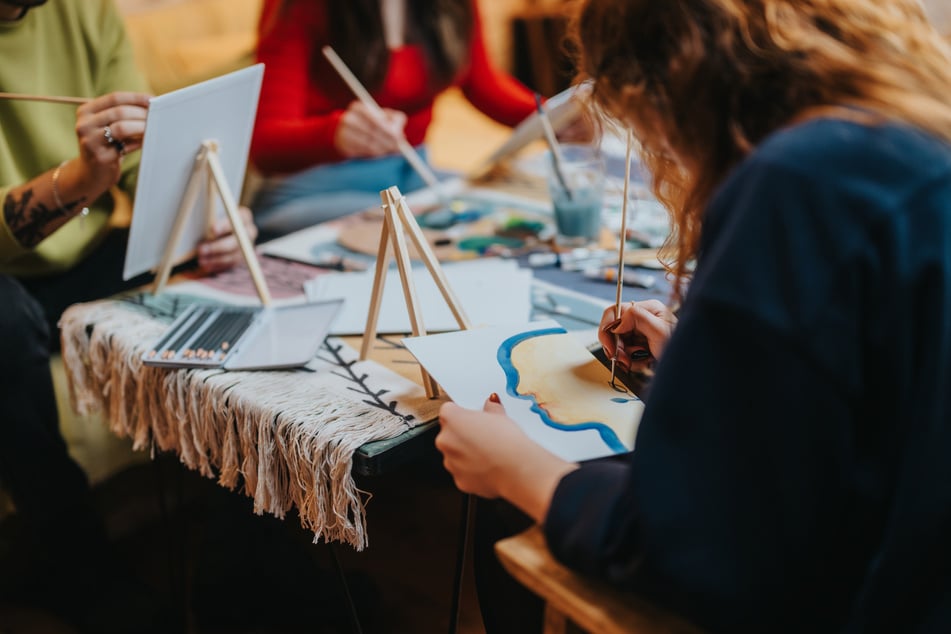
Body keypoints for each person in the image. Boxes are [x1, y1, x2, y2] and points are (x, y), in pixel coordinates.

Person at [435, 0, 951, 632]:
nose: (659, 162)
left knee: (513, 502)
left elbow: (707, 553)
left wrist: (517, 467)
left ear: (668, 82)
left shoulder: (797, 181)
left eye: (643, 130)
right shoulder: (905, 130)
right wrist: (708, 353)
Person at [0, 0, 258, 630]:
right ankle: (79, 567)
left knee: (227, 275)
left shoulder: (84, 11)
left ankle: (246, 559)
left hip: (82, 254)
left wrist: (209, 224)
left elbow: (146, 163)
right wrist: (84, 175)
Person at [249, 0, 553, 237]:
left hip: (411, 175)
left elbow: (482, 83)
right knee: (425, 230)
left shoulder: (451, 6)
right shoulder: (305, 7)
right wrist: (335, 134)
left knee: (504, 209)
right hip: (315, 188)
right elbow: (264, 143)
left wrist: (552, 117)